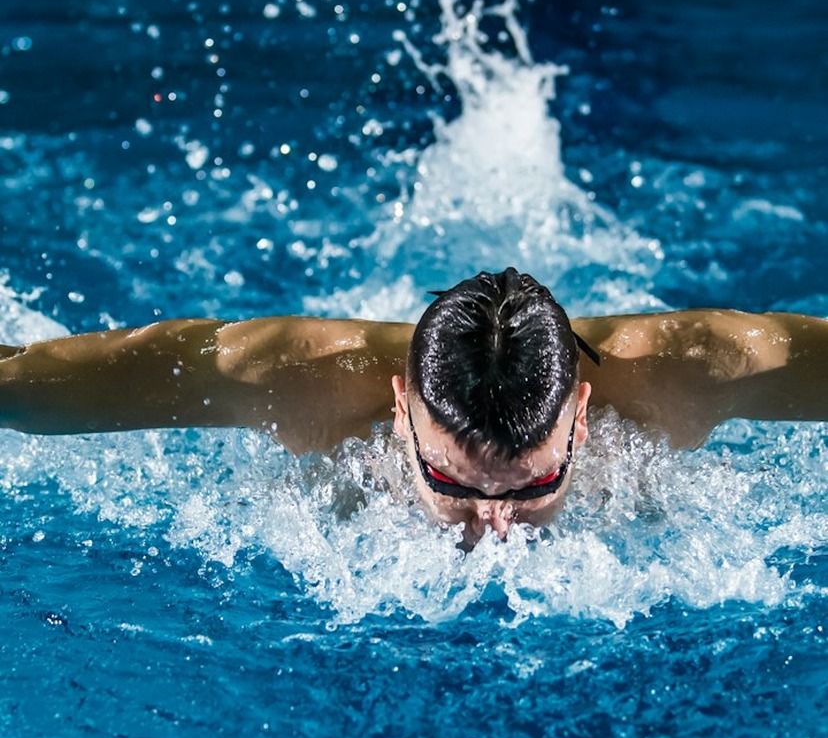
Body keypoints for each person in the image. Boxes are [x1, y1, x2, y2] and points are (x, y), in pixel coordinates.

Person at [1, 268, 826, 549]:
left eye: (530, 492)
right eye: (452, 485)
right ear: (401, 409)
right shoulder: (296, 379)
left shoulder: (696, 370)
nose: (491, 531)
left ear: (580, 416)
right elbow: (30, 388)